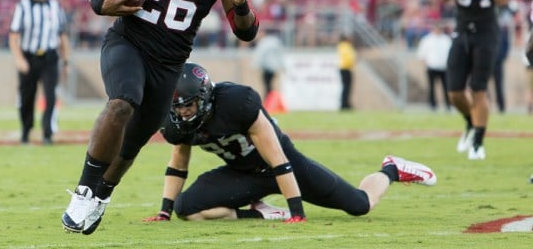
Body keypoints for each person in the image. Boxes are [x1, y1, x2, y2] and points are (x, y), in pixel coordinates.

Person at [61, 0, 260, 235]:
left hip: (169, 60)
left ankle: (102, 195)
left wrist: (241, 2)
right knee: (122, 101)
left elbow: (245, 32)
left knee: (134, 142)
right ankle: (85, 189)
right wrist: (102, 4)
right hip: (128, 42)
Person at [143, 63, 436, 223]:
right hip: (243, 173)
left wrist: (297, 211)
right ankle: (258, 212)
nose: (182, 112)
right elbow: (178, 163)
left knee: (360, 205)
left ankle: (391, 170)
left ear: (205, 97)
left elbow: (278, 158)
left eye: (188, 105)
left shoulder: (237, 103)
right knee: (188, 209)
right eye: (177, 107)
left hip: (284, 165)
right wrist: (164, 211)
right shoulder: (177, 124)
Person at [439, 0, 513, 160]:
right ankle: (471, 122)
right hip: (462, 29)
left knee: (479, 88)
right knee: (454, 92)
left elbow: (503, 0)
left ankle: (478, 143)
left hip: (487, 30)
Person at [8, 0, 71, 145]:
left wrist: (66, 61)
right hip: (29, 57)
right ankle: (26, 131)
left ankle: (47, 134)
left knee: (50, 96)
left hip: (50, 58)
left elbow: (63, 36)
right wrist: (19, 59)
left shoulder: (55, 6)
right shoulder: (23, 6)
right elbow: (13, 35)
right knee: (27, 97)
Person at [416, 22, 452, 112]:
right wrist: (426, 65)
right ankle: (433, 105)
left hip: (444, 68)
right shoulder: (427, 40)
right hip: (432, 67)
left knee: (446, 87)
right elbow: (421, 54)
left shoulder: (446, 39)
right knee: (431, 88)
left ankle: (448, 105)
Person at [252, 29, 285, 99]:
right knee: (270, 85)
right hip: (274, 67)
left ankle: (269, 100)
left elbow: (260, 56)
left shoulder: (263, 43)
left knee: (267, 85)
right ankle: (271, 99)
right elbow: (280, 54)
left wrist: (255, 66)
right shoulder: (275, 42)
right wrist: (282, 66)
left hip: (267, 68)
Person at [337, 34, 356, 110]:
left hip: (344, 68)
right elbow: (349, 58)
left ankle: (345, 103)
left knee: (346, 87)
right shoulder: (346, 46)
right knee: (346, 88)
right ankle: (344, 104)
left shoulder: (342, 46)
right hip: (346, 68)